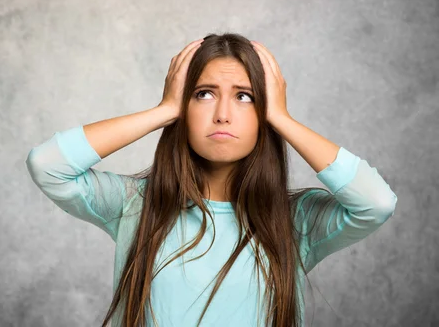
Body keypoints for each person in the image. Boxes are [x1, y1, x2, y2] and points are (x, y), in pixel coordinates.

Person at [25, 33, 397, 327]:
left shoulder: (295, 220)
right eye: (203, 94)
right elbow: (47, 164)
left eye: (245, 97)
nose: (223, 114)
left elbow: (376, 203)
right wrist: (164, 111)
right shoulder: (133, 204)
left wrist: (282, 119)